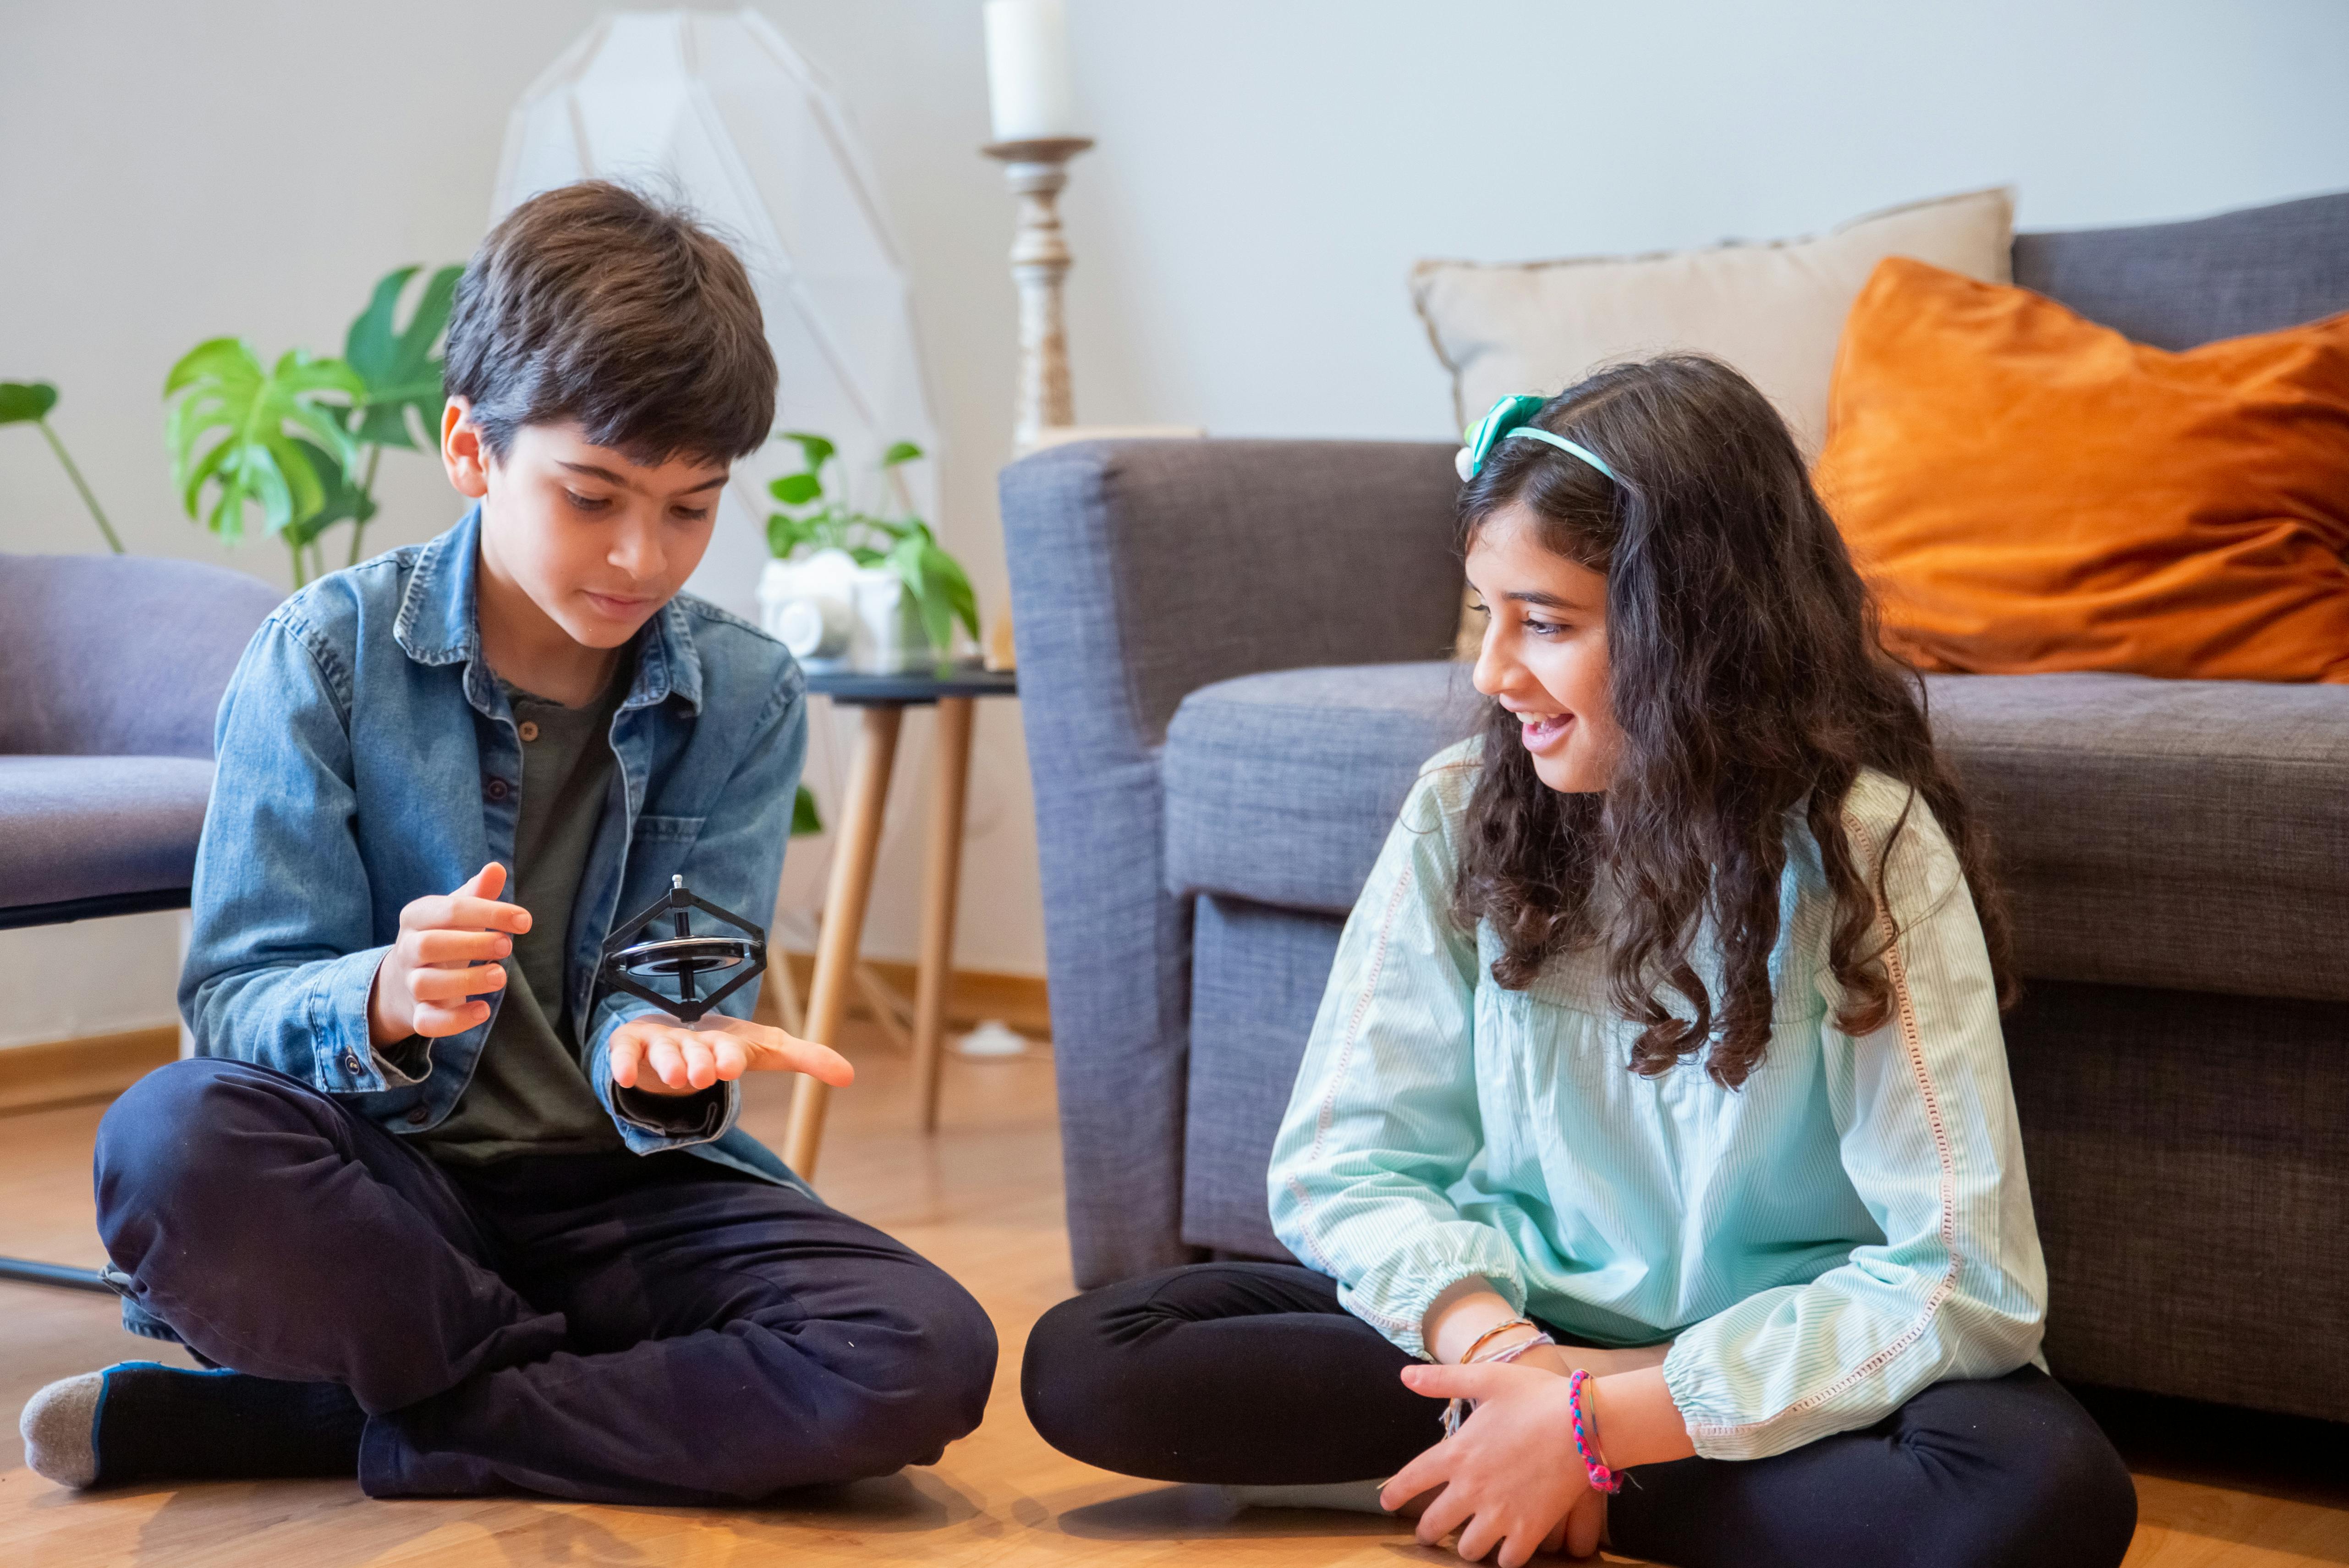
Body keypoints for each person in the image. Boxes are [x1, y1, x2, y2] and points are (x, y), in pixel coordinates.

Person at [1021, 358, 2138, 1568]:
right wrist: (1515, 1363)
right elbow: (1347, 1162)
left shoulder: (1865, 849)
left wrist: (1609, 1420)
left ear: (1692, 629)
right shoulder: (1463, 809)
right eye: (1485, 616)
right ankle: (1536, 1457)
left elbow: (1961, 1275)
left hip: (1754, 1355)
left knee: (2042, 1494)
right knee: (1098, 1357)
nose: (1495, 675)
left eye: (1544, 623)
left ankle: (1523, 1471)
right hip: (1514, 1332)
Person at [20, 181, 995, 1504]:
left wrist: (658, 1051)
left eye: (691, 508)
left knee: (923, 1352)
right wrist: (379, 994)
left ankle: (338, 1422)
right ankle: (564, 1392)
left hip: (622, 1198)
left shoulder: (747, 693)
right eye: (593, 497)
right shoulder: (325, 657)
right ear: (472, 449)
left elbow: (677, 988)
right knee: (168, 1142)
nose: (644, 555)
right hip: (387, 1193)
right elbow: (235, 1000)